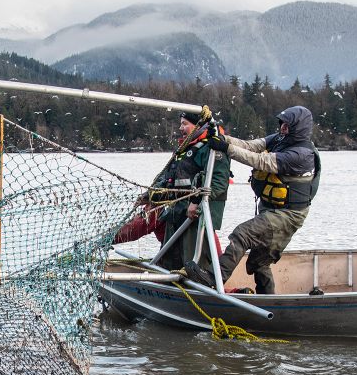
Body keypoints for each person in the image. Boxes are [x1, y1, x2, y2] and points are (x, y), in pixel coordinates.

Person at [184, 105, 320, 294]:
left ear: (299, 127)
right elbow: (250, 146)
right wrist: (223, 139)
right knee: (259, 261)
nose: (282, 128)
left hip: (289, 214)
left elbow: (261, 161)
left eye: (287, 125)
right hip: (271, 209)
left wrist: (226, 148)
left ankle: (214, 278)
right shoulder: (280, 139)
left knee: (243, 234)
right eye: (282, 124)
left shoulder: (302, 155)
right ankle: (269, 300)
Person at [125, 106, 230, 271]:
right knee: (169, 260)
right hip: (176, 214)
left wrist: (196, 203)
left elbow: (218, 182)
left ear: (198, 125)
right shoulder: (183, 151)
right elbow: (167, 180)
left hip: (195, 218)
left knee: (197, 264)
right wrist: (149, 195)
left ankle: (206, 283)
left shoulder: (211, 149)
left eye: (185, 124)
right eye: (180, 124)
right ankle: (168, 282)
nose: (180, 128)